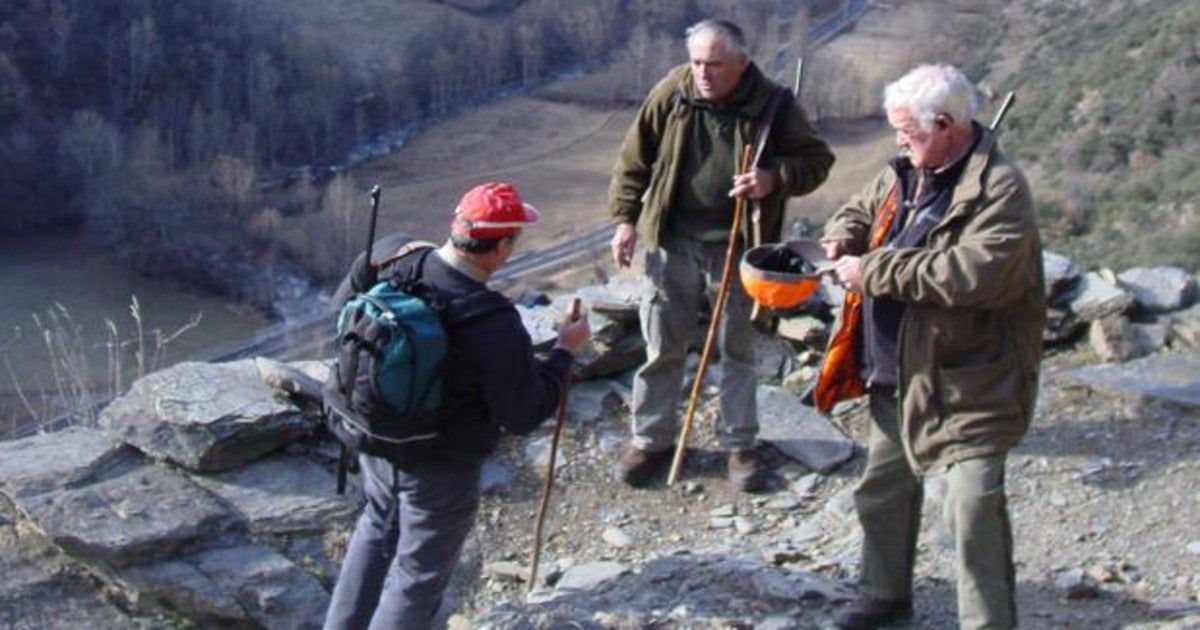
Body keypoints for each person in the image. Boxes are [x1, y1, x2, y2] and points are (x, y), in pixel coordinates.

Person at [815, 64, 1045, 629]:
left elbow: (973, 272)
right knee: (882, 493)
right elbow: (860, 209)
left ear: (944, 124)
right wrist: (844, 233)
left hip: (969, 380)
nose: (898, 141)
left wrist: (876, 269)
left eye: (907, 131)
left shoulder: (1000, 189)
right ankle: (884, 595)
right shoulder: (906, 173)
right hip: (898, 375)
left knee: (972, 510)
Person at [323, 181, 591, 630]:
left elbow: (341, 310)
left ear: (456, 225)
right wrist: (564, 353)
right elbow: (523, 413)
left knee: (375, 530)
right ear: (501, 247)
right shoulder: (491, 320)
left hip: (373, 435)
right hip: (440, 464)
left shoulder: (394, 256)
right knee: (416, 576)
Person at [607, 18, 834, 492]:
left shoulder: (773, 105)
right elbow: (635, 157)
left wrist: (773, 178)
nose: (703, 73)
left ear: (741, 63)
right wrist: (626, 219)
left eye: (714, 64)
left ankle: (740, 444)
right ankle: (651, 439)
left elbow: (817, 161)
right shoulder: (675, 92)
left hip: (738, 246)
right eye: (696, 63)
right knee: (662, 344)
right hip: (672, 240)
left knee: (737, 348)